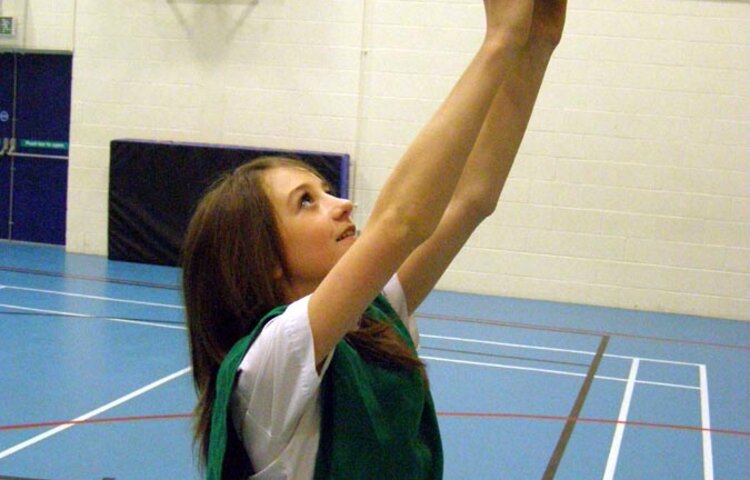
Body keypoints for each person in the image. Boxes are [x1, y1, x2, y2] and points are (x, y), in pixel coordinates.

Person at [181, 1, 567, 478]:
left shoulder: (372, 318)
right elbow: (401, 222)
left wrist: (536, 48)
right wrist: (499, 42)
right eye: (306, 201)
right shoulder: (270, 362)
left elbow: (471, 199)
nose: (340, 204)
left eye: (325, 191)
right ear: (263, 260)